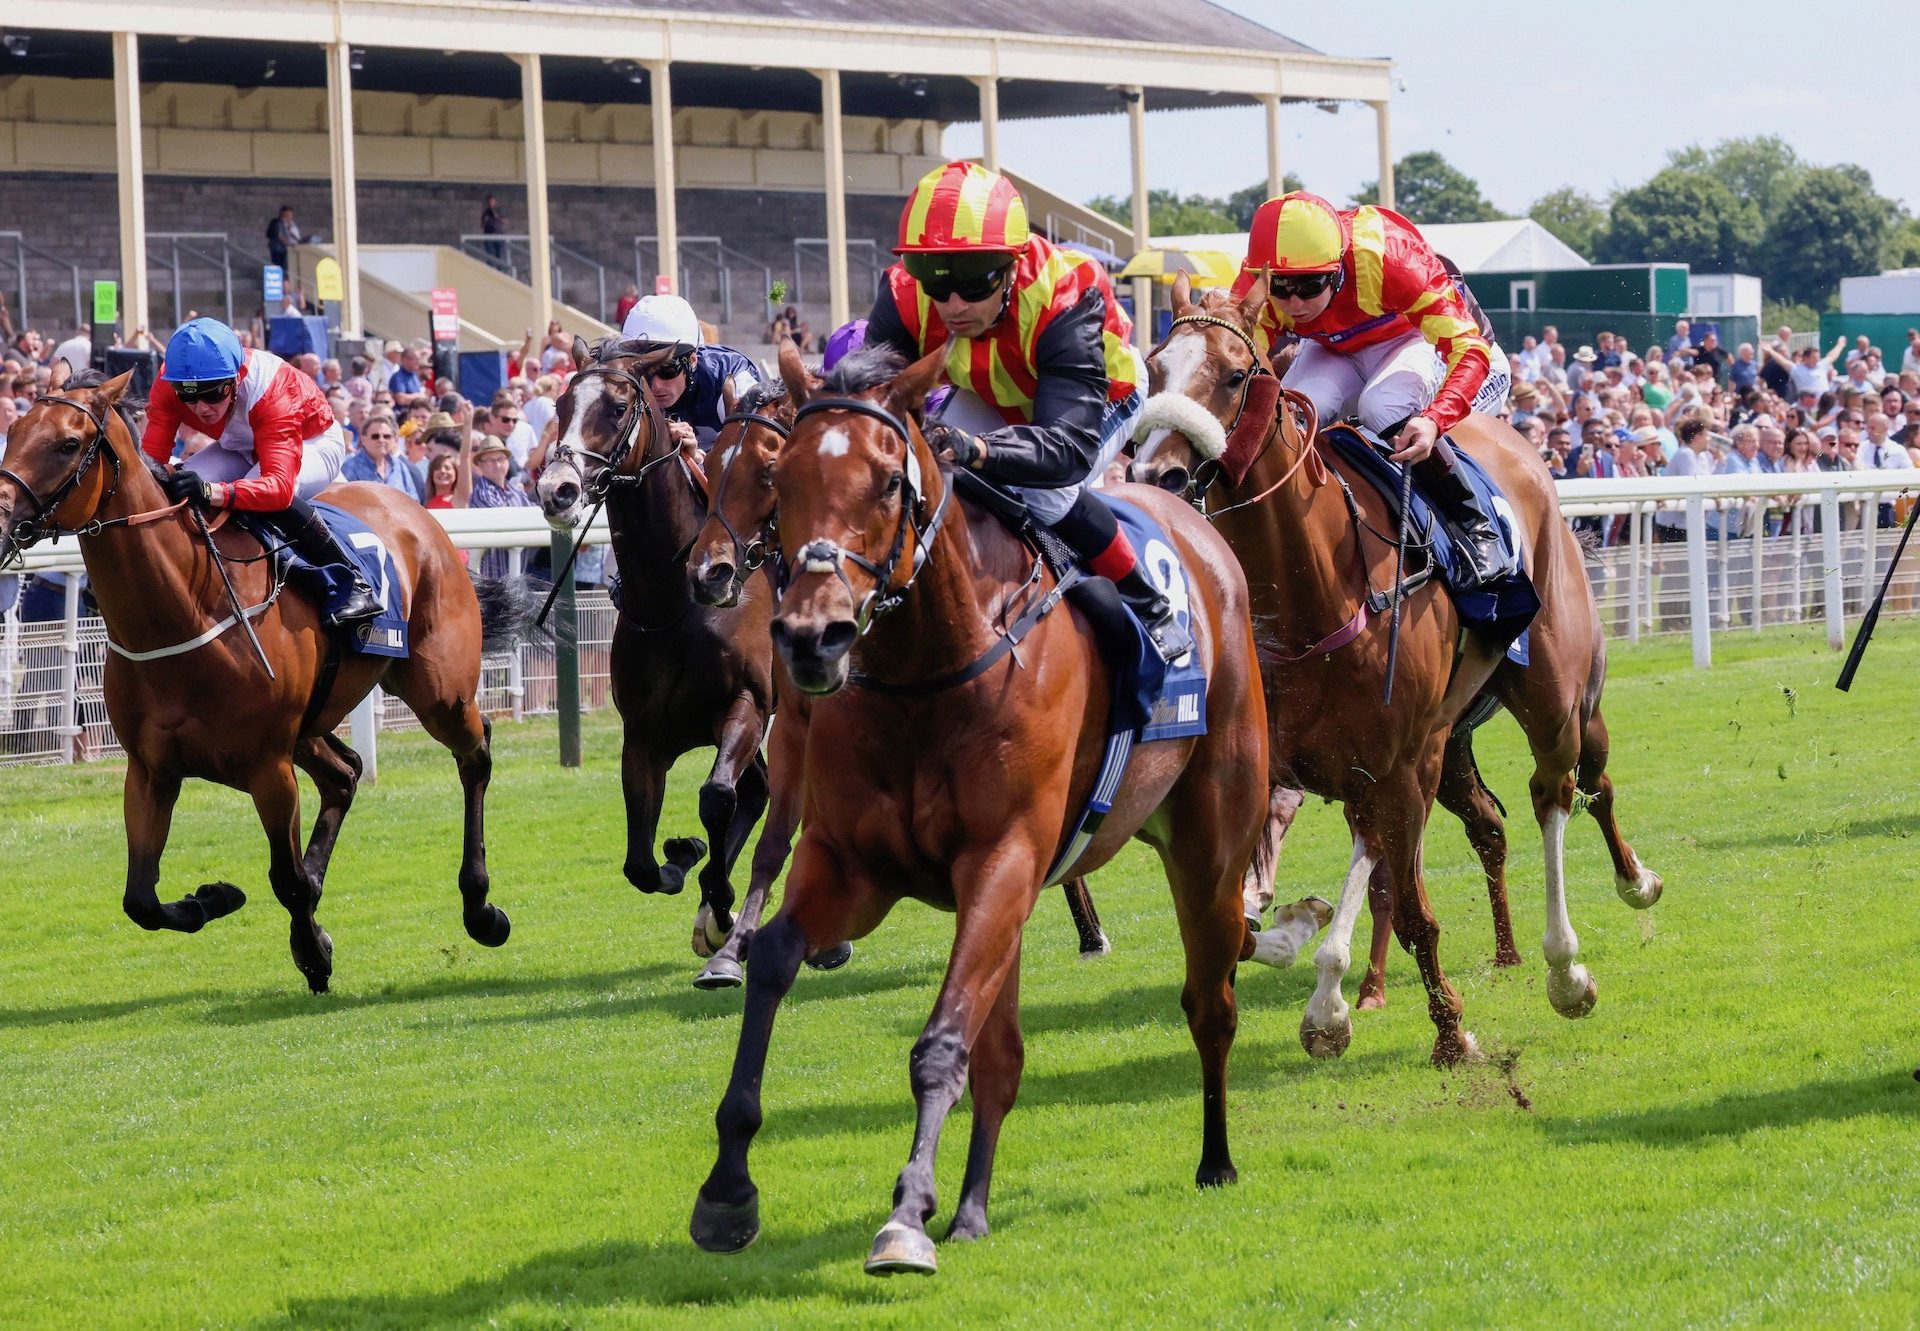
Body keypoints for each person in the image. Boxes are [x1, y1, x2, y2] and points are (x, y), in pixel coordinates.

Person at [861, 161, 1187, 661]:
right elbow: (872, 413)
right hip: (993, 390)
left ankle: (1146, 601)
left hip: (1102, 396)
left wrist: (979, 449)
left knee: (1046, 492)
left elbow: (1067, 451)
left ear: (1013, 265)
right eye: (934, 278)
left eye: (973, 282)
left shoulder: (1065, 293)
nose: (951, 303)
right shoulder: (902, 292)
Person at [1228, 189, 1509, 588]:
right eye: (1281, 288)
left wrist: (1433, 421)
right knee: (1294, 412)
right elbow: (1241, 360)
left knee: (1383, 407)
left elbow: (1468, 348)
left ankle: (1476, 525)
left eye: (1309, 286)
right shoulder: (1257, 279)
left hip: (1408, 338)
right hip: (1331, 347)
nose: (1293, 303)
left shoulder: (1389, 257)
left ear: (1338, 267)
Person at [140, 317, 380, 626]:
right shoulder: (167, 383)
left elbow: (278, 489)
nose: (201, 407)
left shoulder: (273, 388)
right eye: (188, 395)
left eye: (213, 393)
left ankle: (354, 580)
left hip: (313, 441)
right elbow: (150, 466)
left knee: (249, 498)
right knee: (171, 490)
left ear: (236, 379)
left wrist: (214, 492)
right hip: (241, 443)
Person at [619, 294, 763, 450]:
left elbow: (756, 460)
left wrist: (698, 460)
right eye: (644, 371)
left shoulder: (731, 378)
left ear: (692, 361)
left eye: (668, 370)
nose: (655, 386)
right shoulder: (625, 382)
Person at [468, 437, 535, 579]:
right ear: (480, 464)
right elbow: (505, 521)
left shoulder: (515, 490)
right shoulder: (483, 492)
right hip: (492, 575)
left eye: (501, 459)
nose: (497, 464)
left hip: (517, 570)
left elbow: (534, 514)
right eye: (491, 460)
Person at [341, 410, 424, 502]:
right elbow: (347, 505)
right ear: (363, 439)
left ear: (393, 439)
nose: (381, 440)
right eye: (375, 436)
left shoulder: (399, 466)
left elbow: (414, 500)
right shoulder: (349, 467)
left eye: (386, 436)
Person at [480, 193, 507, 268]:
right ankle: (490, 271)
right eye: (489, 202)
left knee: (500, 256)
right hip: (489, 237)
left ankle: (500, 272)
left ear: (495, 202)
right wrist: (485, 221)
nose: (491, 203)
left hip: (499, 236)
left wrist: (497, 217)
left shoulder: (499, 210)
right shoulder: (486, 212)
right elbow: (482, 225)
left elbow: (504, 221)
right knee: (490, 256)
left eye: (492, 202)